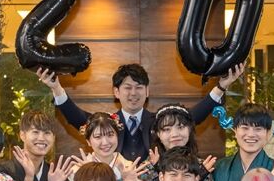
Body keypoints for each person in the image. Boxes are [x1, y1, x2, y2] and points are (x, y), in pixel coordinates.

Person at [38, 63, 242, 162]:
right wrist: (56, 88)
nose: (133, 93)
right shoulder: (107, 123)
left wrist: (221, 87)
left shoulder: (159, 122)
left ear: (147, 91)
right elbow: (76, 117)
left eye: (139, 87)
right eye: (127, 87)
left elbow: (193, 116)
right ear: (116, 92)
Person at [134, 105, 217, 181]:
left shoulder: (203, 166)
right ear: (158, 134)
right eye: (167, 129)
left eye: (180, 127)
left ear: (189, 129)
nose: (174, 134)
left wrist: (199, 177)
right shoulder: (146, 169)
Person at [74, 111, 145, 181]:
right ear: (88, 141)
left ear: (117, 136)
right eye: (98, 137)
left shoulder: (129, 167)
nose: (105, 142)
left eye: (110, 135)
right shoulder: (77, 170)